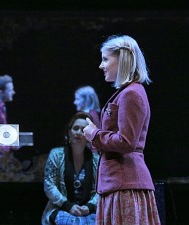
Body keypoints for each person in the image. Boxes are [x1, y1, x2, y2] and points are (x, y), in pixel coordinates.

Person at [83, 35, 161, 224]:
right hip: (117, 183)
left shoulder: (131, 94)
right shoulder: (126, 93)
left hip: (125, 184)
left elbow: (126, 142)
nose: (101, 66)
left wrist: (94, 134)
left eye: (105, 59)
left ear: (123, 59)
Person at [42, 112, 99, 225]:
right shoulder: (56, 154)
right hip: (61, 208)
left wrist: (90, 207)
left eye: (83, 130)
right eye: (75, 128)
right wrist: (68, 205)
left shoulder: (96, 159)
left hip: (89, 211)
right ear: (69, 132)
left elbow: (101, 189)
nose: (78, 132)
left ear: (88, 136)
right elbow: (49, 185)